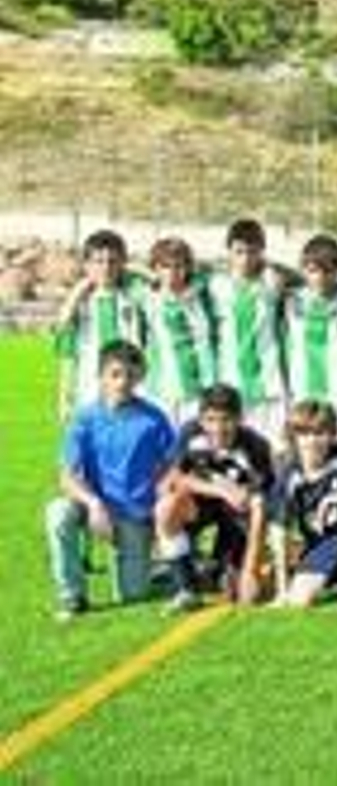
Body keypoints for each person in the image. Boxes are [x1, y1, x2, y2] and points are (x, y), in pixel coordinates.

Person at [44, 341, 179, 620]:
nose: (123, 382)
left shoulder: (155, 420)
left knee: (134, 596)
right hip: (96, 510)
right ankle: (72, 597)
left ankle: (160, 567)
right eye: (115, 374)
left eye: (130, 375)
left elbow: (172, 468)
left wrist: (159, 515)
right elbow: (66, 476)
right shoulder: (84, 419)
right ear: (101, 376)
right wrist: (93, 504)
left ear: (140, 376)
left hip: (134, 516)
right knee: (58, 512)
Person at [155, 384, 274, 612]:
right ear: (200, 419)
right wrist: (222, 489)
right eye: (210, 420)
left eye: (226, 420)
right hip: (203, 505)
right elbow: (173, 477)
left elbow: (260, 509)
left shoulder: (256, 447)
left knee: (237, 590)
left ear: (240, 418)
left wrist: (250, 571)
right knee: (166, 506)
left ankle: (231, 566)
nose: (218, 428)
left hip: (237, 517)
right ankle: (186, 588)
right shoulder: (190, 433)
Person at [270, 401, 337, 612]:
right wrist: (281, 589)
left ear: (332, 434)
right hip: (322, 543)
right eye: (304, 434)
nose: (312, 441)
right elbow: (278, 531)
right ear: (294, 437)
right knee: (298, 601)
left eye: (321, 433)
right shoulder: (288, 472)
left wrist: (333, 499)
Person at [205, 218, 288, 438]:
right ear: (229, 252)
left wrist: (272, 267)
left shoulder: (273, 283)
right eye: (239, 252)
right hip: (231, 385)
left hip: (270, 387)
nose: (245, 259)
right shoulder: (215, 285)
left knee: (272, 455)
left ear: (262, 252)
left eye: (252, 252)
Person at [283, 235, 337, 444]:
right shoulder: (290, 301)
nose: (320, 277)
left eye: (328, 271)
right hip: (302, 396)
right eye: (313, 271)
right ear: (303, 270)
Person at [55, 229, 146, 420]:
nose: (106, 268)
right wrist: (64, 397)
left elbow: (158, 281)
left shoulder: (136, 297)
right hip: (90, 389)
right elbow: (67, 354)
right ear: (86, 264)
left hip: (134, 387)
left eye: (113, 261)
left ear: (122, 263)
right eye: (99, 261)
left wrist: (133, 269)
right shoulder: (79, 304)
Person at [141, 236, 218, 426]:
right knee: (161, 452)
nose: (173, 273)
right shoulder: (146, 297)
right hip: (160, 390)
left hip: (200, 389)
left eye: (179, 266)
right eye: (166, 267)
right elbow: (122, 268)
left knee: (196, 451)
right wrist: (150, 275)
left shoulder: (204, 291)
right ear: (156, 269)